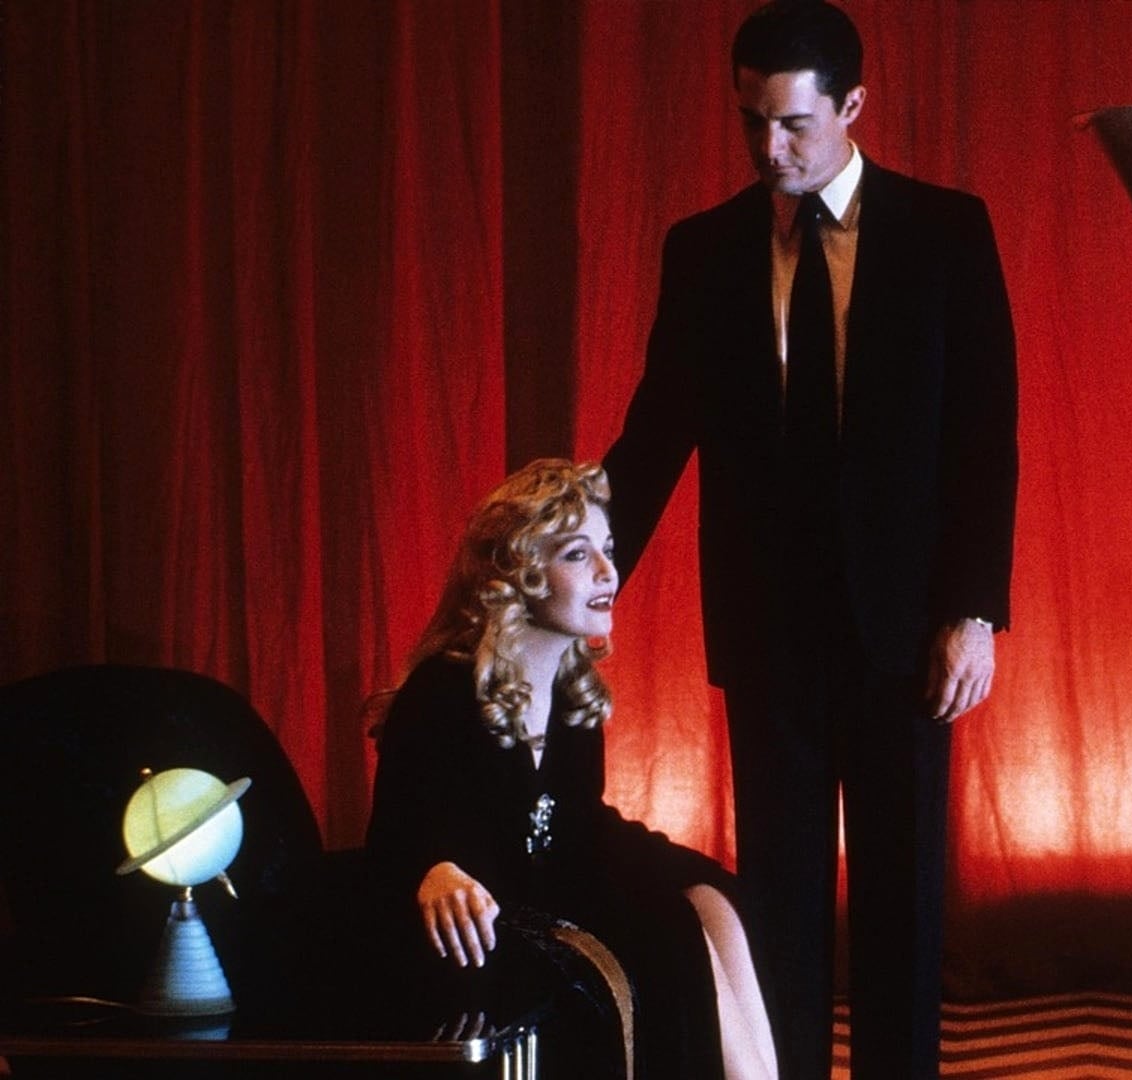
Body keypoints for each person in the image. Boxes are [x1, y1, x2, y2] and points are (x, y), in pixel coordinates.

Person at [600, 1, 1018, 1075]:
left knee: (900, 905)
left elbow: (984, 438)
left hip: (904, 632)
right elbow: (654, 438)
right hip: (769, 629)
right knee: (778, 906)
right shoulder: (703, 250)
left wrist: (973, 613)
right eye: (751, 122)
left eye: (792, 123)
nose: (769, 147)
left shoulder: (945, 231)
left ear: (852, 105)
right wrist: (575, 576)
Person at [365, 458, 779, 1080]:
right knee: (671, 932)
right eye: (578, 554)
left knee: (714, 901)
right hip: (471, 940)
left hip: (544, 901)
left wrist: (693, 875)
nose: (608, 572)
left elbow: (581, 825)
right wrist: (434, 867)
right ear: (520, 572)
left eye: (607, 550)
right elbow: (397, 836)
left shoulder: (572, 698)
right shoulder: (443, 690)